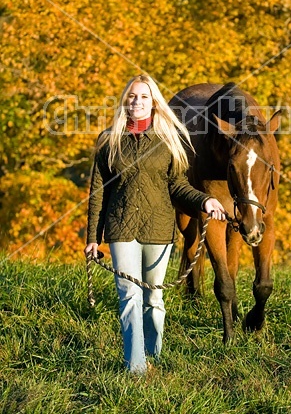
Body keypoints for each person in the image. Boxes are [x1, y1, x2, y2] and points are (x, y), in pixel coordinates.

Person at [84, 74, 227, 374]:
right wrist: (93, 238)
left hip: (159, 228)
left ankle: (153, 357)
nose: (137, 102)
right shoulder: (108, 140)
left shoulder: (168, 140)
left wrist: (205, 201)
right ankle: (136, 368)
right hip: (121, 227)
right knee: (129, 296)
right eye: (132, 96)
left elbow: (177, 186)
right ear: (125, 100)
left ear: (154, 103)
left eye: (144, 97)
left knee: (153, 298)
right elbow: (99, 192)